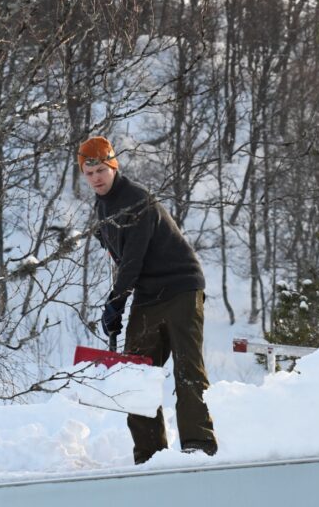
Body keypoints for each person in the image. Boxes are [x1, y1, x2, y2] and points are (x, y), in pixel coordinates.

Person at [77, 135, 218, 464]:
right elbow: (118, 255)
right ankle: (150, 455)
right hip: (147, 293)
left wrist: (116, 302)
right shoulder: (102, 208)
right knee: (136, 374)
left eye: (101, 169)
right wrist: (117, 301)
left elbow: (133, 258)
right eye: (89, 172)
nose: (96, 177)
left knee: (187, 370)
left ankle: (198, 447)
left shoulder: (137, 200)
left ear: (114, 166)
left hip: (181, 286)